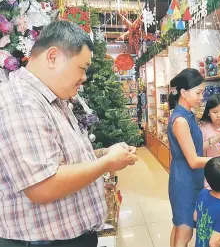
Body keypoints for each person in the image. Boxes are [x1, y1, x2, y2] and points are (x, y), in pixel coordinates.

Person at [0, 21, 138, 247]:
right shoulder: (21, 102)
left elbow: (63, 159)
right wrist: (106, 163)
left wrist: (105, 153)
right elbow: (42, 186)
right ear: (53, 57)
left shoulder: (53, 100)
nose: (84, 77)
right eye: (82, 68)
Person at [167, 68, 220, 247]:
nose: (201, 97)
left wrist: (218, 139)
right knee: (184, 232)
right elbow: (193, 160)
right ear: (183, 92)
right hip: (184, 180)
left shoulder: (188, 115)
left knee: (179, 227)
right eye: (198, 92)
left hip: (191, 177)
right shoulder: (181, 121)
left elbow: (196, 148)